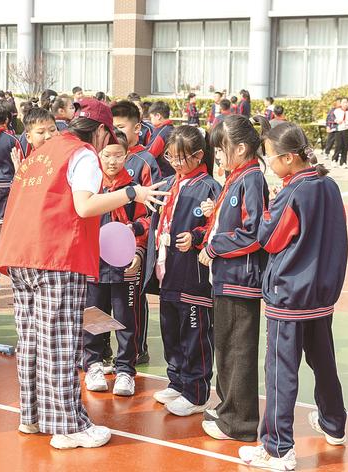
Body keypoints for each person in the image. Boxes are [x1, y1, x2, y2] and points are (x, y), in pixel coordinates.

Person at [0, 97, 168, 450]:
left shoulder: (42, 151)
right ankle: (68, 425)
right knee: (59, 343)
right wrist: (131, 192)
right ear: (100, 130)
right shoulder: (82, 153)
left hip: (20, 253)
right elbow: (85, 205)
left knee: (32, 341)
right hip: (56, 254)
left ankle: (32, 415)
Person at [239, 123, 347, 471]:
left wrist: (271, 204)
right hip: (321, 293)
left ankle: (277, 447)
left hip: (289, 294)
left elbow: (269, 238)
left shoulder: (293, 192)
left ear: (288, 157)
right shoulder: (328, 185)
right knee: (323, 360)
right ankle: (334, 423)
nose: (269, 163)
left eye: (270, 157)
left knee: (279, 371)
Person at [198, 115, 270, 442]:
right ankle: (228, 408)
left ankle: (239, 422)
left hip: (241, 280)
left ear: (240, 149)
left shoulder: (251, 178)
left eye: (221, 149)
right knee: (226, 347)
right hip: (228, 277)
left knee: (238, 350)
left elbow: (254, 233)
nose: (217, 156)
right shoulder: (238, 176)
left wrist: (214, 247)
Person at [144, 125, 221, 416]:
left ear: (199, 155)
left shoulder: (210, 187)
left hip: (193, 276)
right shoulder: (168, 184)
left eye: (181, 157)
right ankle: (177, 381)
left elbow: (217, 225)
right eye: (171, 157)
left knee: (194, 335)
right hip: (168, 271)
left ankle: (197, 392)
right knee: (171, 331)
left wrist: (197, 236)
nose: (175, 163)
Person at [82, 128, 150, 396]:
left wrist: (137, 249)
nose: (112, 161)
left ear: (127, 155)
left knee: (125, 319)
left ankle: (125, 370)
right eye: (107, 155)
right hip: (93, 263)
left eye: (118, 156)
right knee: (94, 316)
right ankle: (94, 364)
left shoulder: (134, 190)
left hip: (125, 265)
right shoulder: (90, 187)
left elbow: (146, 220)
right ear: (98, 155)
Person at [112, 100, 161, 365]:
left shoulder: (145, 161)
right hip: (106, 245)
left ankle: (137, 349)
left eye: (121, 127)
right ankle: (103, 350)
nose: (115, 132)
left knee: (132, 300)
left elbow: (153, 209)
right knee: (105, 299)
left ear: (138, 128)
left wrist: (140, 245)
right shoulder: (104, 156)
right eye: (111, 127)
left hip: (134, 244)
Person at [146, 101, 176, 177]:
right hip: (173, 171)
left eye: (151, 117)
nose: (150, 120)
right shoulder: (172, 129)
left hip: (163, 174)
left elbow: (149, 155)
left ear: (158, 116)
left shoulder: (161, 132)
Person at [333, 97, 348, 169]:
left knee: (345, 146)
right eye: (344, 102)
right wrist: (337, 121)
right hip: (338, 130)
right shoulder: (336, 111)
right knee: (338, 145)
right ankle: (334, 160)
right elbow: (332, 119)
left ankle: (343, 162)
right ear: (340, 104)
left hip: (346, 129)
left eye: (347, 102)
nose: (345, 104)